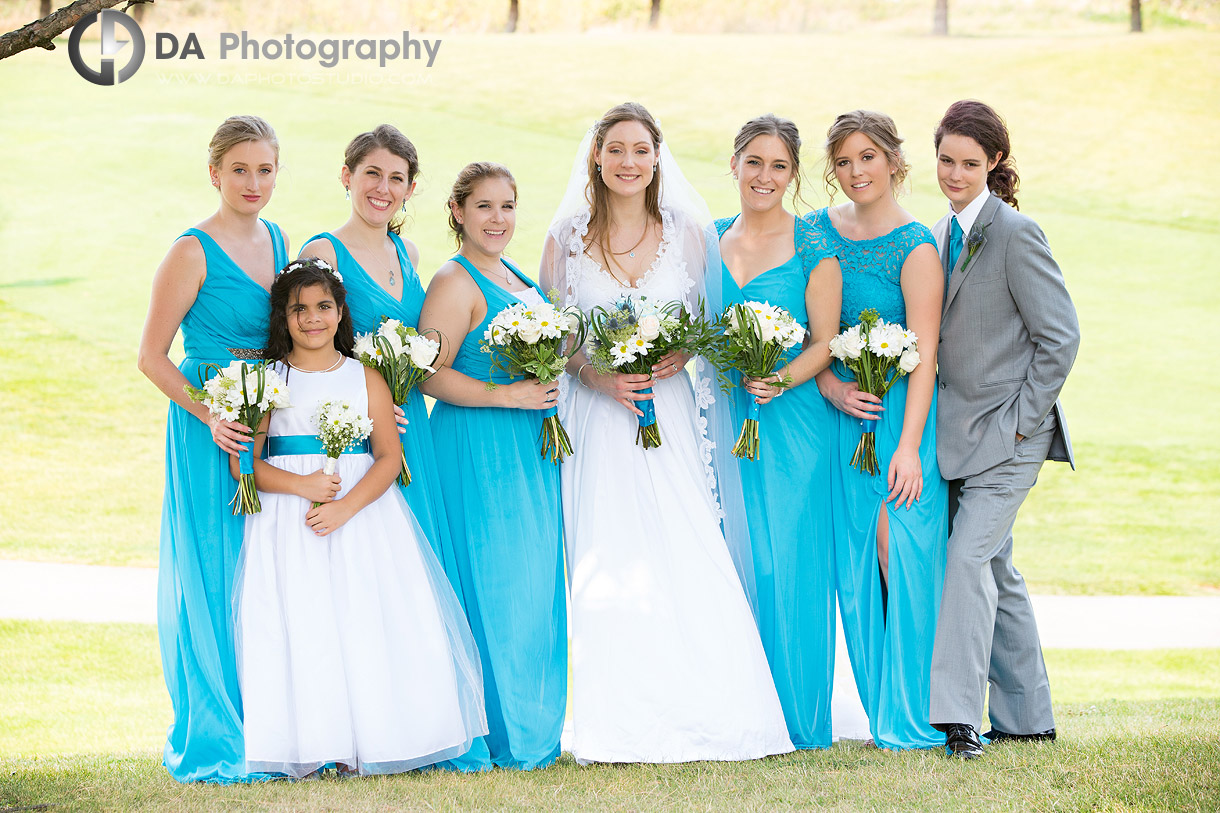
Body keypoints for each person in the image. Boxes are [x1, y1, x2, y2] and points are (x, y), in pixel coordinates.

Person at [541, 102, 794, 764]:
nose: (629, 162)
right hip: (599, 418)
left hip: (673, 414)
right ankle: (616, 715)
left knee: (686, 542)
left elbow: (713, 328)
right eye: (616, 149)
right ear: (596, 156)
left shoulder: (689, 234)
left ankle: (717, 704)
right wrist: (595, 375)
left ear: (658, 158)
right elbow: (556, 339)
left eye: (641, 150)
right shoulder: (564, 237)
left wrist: (682, 354)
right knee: (608, 543)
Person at [233, 259, 486, 778]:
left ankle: (381, 736)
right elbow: (250, 467)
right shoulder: (267, 380)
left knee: (365, 616)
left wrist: (346, 506)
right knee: (306, 622)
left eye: (323, 306)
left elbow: (389, 457)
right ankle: (319, 742)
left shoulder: (364, 377)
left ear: (340, 311)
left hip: (364, 517)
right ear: (283, 317)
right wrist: (303, 486)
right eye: (298, 309)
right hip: (290, 521)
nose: (311, 319)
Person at [136, 115, 288, 783]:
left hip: (268, 414)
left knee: (263, 566)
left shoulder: (280, 238)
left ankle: (272, 719)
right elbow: (150, 355)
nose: (254, 182)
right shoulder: (191, 251)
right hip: (209, 422)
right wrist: (210, 414)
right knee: (212, 564)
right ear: (214, 173)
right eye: (240, 169)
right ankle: (218, 727)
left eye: (265, 169)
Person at [928, 100, 1079, 759]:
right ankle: (1028, 716)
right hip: (956, 437)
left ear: (993, 163)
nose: (955, 173)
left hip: (1012, 439)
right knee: (997, 566)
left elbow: (1061, 336)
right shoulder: (939, 233)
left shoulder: (1016, 233)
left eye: (969, 162)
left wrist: (1023, 424)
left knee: (964, 559)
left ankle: (959, 718)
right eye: (945, 160)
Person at [419, 163, 566, 771]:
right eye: (483, 207)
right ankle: (501, 732)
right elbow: (428, 372)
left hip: (526, 449)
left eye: (507, 206)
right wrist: (505, 395)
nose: (497, 219)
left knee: (532, 586)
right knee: (499, 585)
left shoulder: (512, 275)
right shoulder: (454, 282)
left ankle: (532, 728)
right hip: (479, 450)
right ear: (457, 212)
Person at [809, 110, 948, 750]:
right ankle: (877, 708)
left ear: (894, 161)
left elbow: (926, 355)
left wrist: (910, 449)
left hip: (899, 420)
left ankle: (916, 710)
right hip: (839, 420)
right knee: (857, 565)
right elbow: (805, 328)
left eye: (868, 157)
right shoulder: (817, 232)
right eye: (843, 161)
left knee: (902, 555)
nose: (857, 170)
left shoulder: (917, 244)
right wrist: (830, 385)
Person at [713, 114, 845, 749]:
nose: (764, 176)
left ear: (793, 176)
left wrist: (782, 378)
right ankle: (740, 710)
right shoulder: (707, 239)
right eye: (754, 162)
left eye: (779, 166)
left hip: (792, 423)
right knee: (731, 554)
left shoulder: (814, 244)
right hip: (721, 420)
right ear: (733, 164)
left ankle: (799, 717)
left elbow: (825, 342)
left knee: (790, 559)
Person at [297, 125, 457, 573]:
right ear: (347, 176)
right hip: (360, 428)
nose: (382, 189)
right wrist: (370, 404)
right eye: (371, 173)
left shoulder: (408, 251)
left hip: (411, 423)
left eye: (396, 178)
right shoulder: (324, 251)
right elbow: (310, 349)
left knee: (418, 556)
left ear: (409, 188)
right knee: (373, 561)